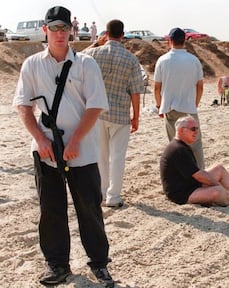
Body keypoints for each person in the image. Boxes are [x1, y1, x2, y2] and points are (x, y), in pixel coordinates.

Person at [13, 6, 114, 287]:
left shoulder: (86, 64)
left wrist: (76, 140)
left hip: (82, 151)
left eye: (63, 28)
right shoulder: (32, 64)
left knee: (89, 209)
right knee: (51, 210)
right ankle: (57, 265)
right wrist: (41, 139)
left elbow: (95, 106)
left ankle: (99, 264)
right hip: (46, 152)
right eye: (53, 28)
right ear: (45, 31)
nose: (59, 33)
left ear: (71, 30)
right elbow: (23, 106)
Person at [84, 19, 144, 207]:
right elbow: (135, 91)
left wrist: (96, 43)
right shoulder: (131, 59)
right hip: (120, 114)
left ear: (106, 34)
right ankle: (114, 196)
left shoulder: (93, 53)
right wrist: (136, 116)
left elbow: (78, 57)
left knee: (101, 155)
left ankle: (101, 193)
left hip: (97, 112)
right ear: (123, 35)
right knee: (118, 157)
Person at [160, 115, 229, 206]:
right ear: (181, 130)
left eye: (197, 129)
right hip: (182, 194)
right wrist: (217, 185)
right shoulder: (178, 150)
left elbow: (197, 174)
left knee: (219, 169)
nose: (196, 132)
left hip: (190, 185)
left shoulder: (181, 145)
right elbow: (199, 175)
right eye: (193, 129)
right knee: (219, 192)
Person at [154, 27, 205, 169]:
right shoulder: (194, 60)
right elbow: (200, 86)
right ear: (185, 40)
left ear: (170, 41)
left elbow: (157, 87)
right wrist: (195, 104)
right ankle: (201, 176)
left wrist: (159, 106)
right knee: (195, 146)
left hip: (170, 108)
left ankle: (181, 177)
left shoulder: (162, 60)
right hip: (189, 107)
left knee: (176, 145)